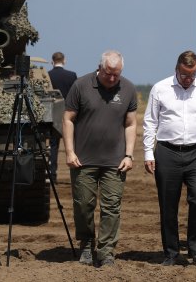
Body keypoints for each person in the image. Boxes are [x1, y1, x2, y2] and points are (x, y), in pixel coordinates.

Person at [143, 50, 196, 266]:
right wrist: (149, 152)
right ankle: (171, 252)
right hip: (167, 152)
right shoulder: (160, 88)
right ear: (177, 68)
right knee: (168, 204)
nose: (188, 79)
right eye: (185, 75)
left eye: (192, 74)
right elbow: (150, 122)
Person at [63, 50, 137, 267]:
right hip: (83, 160)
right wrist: (69, 151)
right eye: (108, 73)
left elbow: (131, 124)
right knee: (83, 205)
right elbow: (68, 119)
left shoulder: (128, 88)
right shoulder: (80, 85)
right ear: (100, 67)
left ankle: (106, 252)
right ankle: (86, 245)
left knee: (111, 207)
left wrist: (129, 155)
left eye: (117, 74)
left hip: (115, 162)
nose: (112, 79)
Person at [48, 51, 77, 183]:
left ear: (52, 61)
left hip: (53, 114)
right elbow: (77, 95)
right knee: (73, 145)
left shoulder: (48, 75)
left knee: (53, 146)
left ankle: (52, 176)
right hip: (70, 115)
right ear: (64, 60)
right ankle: (76, 174)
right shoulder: (71, 76)